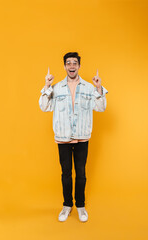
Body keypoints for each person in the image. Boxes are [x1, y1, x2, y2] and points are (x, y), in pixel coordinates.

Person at [39, 52, 108, 222]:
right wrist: (47, 86)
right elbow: (43, 107)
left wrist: (99, 88)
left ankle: (81, 206)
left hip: (82, 137)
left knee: (81, 173)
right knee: (66, 173)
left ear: (79, 66)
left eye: (74, 63)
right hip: (62, 137)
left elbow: (100, 108)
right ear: (64, 66)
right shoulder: (55, 88)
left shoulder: (89, 87)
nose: (71, 66)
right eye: (68, 63)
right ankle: (67, 205)